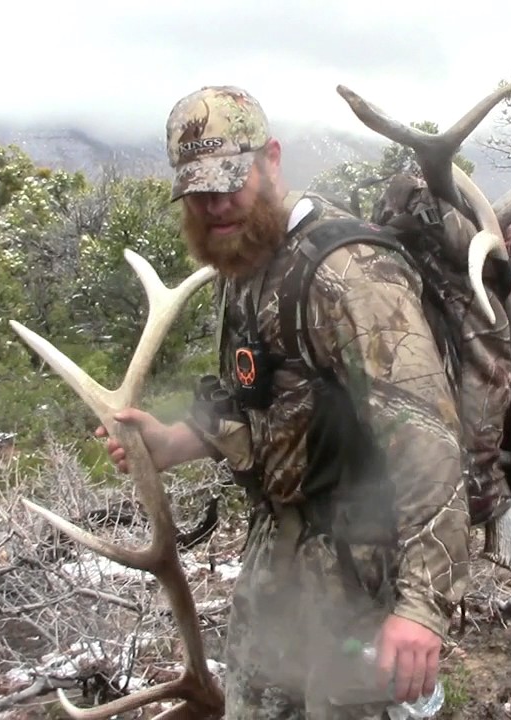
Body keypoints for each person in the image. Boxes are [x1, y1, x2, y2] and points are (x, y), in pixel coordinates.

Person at [95, 85, 471, 719]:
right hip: (276, 572)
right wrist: (174, 443)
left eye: (228, 181)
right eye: (197, 192)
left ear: (270, 158)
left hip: (363, 580)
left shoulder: (348, 272)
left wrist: (422, 607)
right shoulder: (244, 264)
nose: (214, 205)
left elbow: (429, 442)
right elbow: (257, 404)